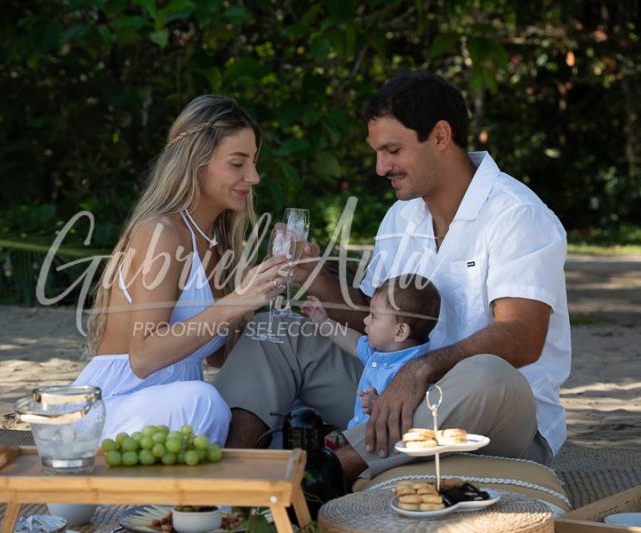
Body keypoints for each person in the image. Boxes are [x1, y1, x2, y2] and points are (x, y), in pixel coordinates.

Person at [213, 71, 571, 487]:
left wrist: (418, 371)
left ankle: (324, 476)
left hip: (492, 415)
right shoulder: (402, 215)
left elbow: (523, 336)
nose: (381, 166)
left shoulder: (516, 215)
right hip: (395, 399)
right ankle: (230, 481)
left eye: (393, 150)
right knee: (274, 328)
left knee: (489, 374)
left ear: (440, 136)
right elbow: (373, 320)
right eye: (377, 152)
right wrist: (313, 276)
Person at [75, 95, 290, 445]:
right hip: (114, 408)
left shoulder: (219, 244)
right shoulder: (162, 233)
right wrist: (238, 300)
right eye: (238, 163)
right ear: (196, 162)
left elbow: (220, 355)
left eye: (253, 162)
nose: (254, 177)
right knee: (205, 402)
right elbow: (143, 358)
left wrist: (265, 310)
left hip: (169, 413)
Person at [301, 274, 441, 431]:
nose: (365, 321)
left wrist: (379, 404)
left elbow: (413, 418)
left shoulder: (412, 375)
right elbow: (354, 343)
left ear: (400, 331)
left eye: (373, 316)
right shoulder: (381, 352)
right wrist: (323, 322)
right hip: (355, 433)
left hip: (377, 445)